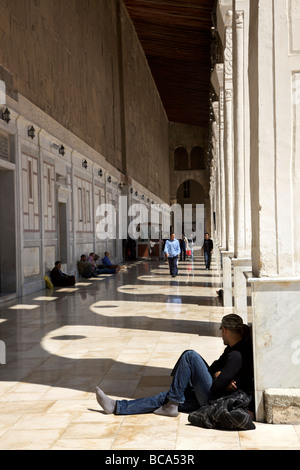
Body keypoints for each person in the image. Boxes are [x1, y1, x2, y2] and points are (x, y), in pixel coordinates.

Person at [95, 314, 254, 417]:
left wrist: (220, 376)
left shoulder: (237, 356)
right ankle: (116, 406)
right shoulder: (231, 349)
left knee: (190, 356)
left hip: (212, 400)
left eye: (221, 332)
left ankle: (173, 401)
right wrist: (217, 373)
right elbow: (212, 369)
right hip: (208, 396)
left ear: (225, 330)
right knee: (163, 398)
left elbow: (218, 387)